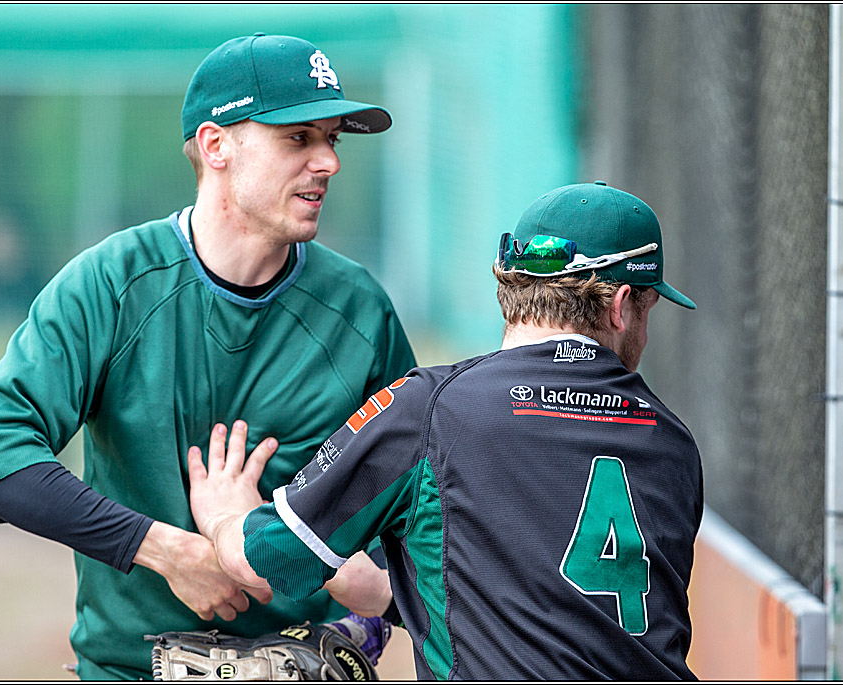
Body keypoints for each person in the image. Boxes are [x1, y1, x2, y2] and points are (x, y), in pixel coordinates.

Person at [0, 34, 416, 680]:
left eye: (332, 139)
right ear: (217, 145)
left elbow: (423, 519)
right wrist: (164, 549)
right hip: (131, 669)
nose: (328, 162)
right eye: (298, 138)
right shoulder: (113, 285)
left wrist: (364, 618)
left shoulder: (360, 311)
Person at [188, 181, 705, 680]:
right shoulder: (672, 442)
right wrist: (393, 595)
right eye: (647, 309)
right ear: (620, 307)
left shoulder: (429, 408)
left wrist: (223, 518)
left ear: (512, 287)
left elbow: (272, 560)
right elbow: (568, 616)